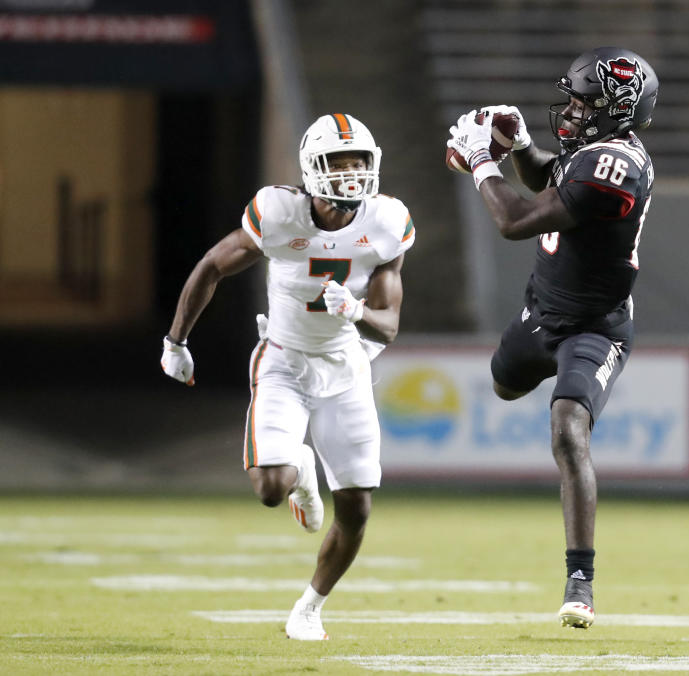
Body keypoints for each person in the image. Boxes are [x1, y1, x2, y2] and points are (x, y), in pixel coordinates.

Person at [160, 113, 415, 641]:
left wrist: (357, 312)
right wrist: (176, 340)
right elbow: (212, 265)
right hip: (283, 358)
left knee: (358, 506)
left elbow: (388, 326)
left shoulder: (387, 221)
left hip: (347, 366)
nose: (351, 174)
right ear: (312, 168)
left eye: (359, 163)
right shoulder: (278, 212)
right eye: (339, 163)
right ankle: (299, 467)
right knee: (271, 488)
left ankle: (309, 608)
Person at [446, 46, 657, 629]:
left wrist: (481, 161)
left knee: (568, 427)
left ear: (615, 112)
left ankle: (580, 581)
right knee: (504, 384)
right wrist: (515, 149)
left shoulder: (618, 166)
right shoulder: (590, 157)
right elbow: (552, 177)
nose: (570, 109)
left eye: (583, 102)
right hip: (540, 314)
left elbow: (515, 221)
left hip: (595, 326)